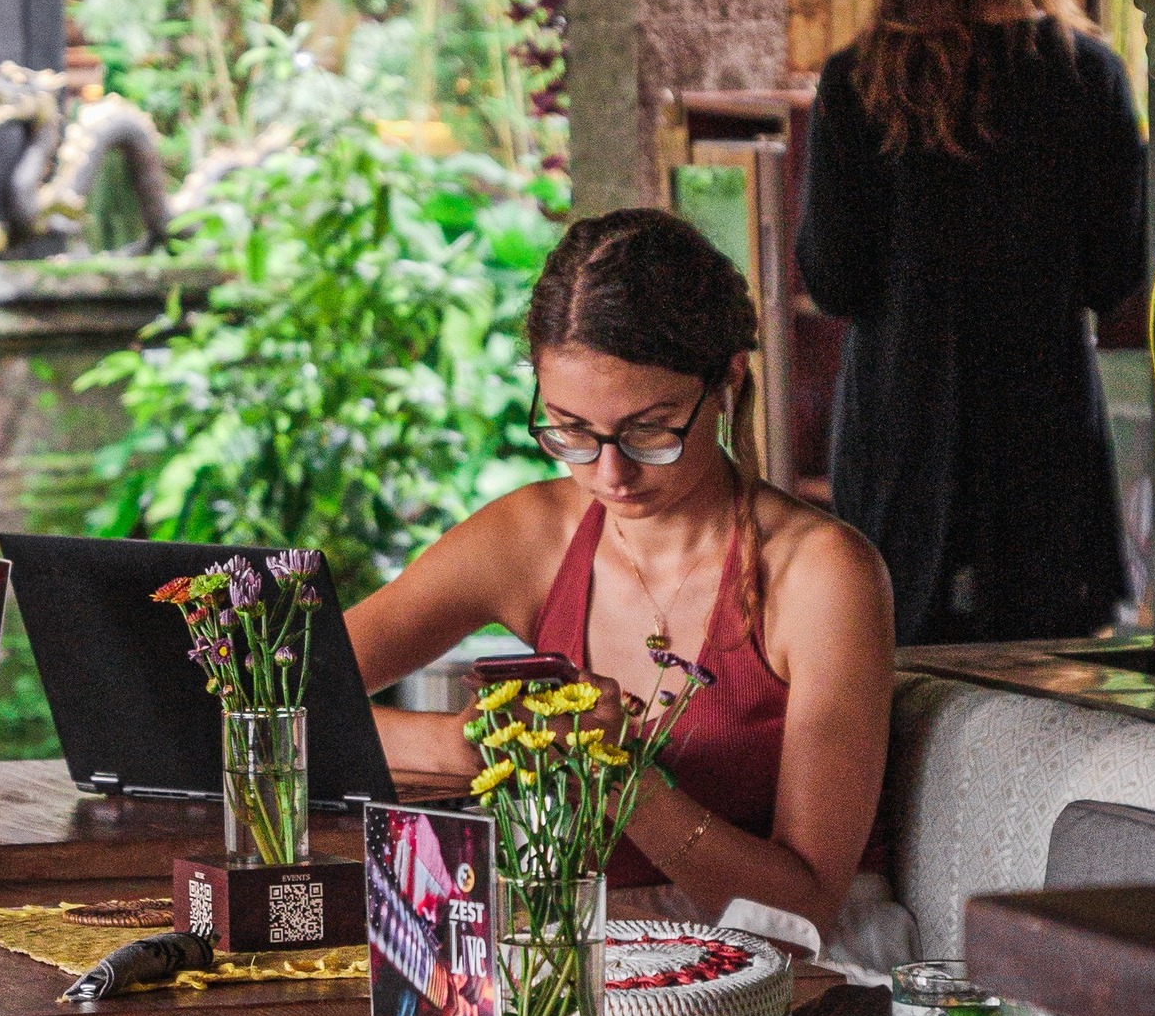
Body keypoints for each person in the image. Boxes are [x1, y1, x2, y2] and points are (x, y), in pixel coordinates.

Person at [346, 208, 899, 953]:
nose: (609, 473)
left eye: (649, 429)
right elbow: (275, 701)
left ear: (729, 378)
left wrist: (620, 783)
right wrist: (477, 747)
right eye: (571, 429)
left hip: (783, 971)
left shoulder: (819, 574)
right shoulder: (532, 536)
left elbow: (804, 914)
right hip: (579, 951)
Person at [797, 0, 1147, 647]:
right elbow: (1116, 269)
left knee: (903, 669)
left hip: (901, 431)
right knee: (1051, 674)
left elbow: (836, 278)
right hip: (1042, 425)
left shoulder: (857, 84)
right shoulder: (1085, 74)